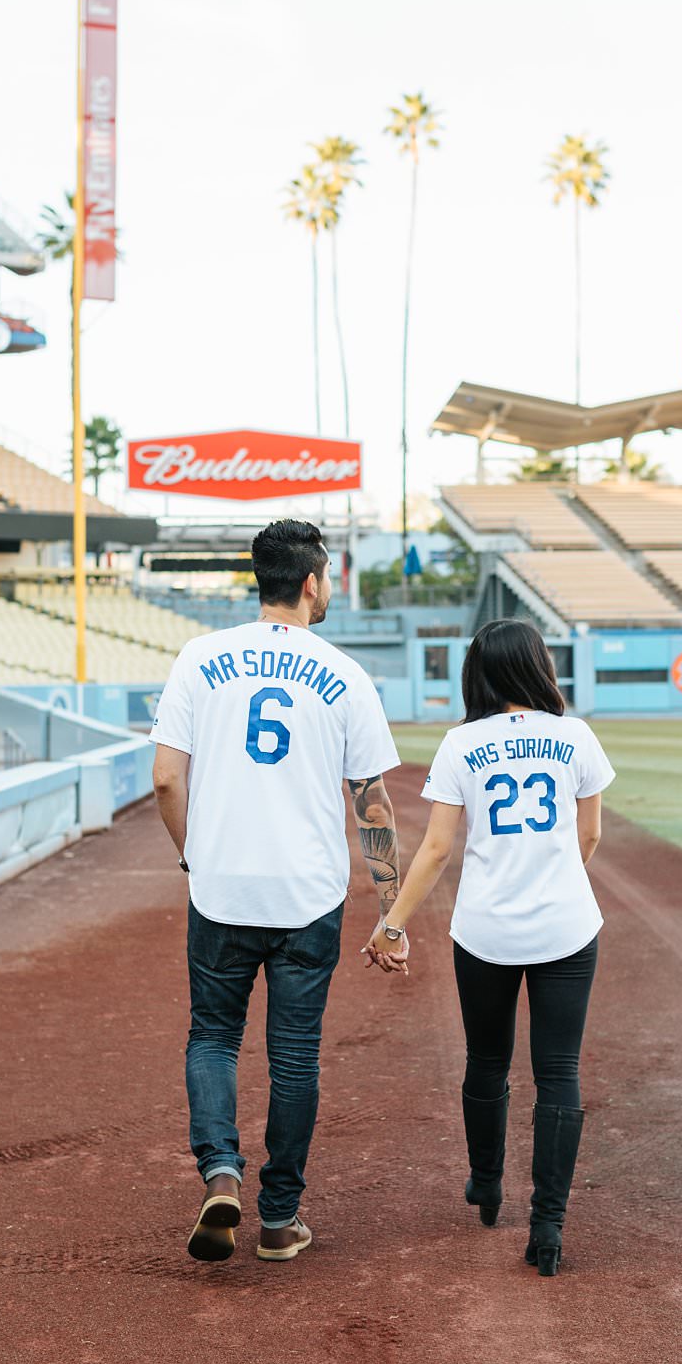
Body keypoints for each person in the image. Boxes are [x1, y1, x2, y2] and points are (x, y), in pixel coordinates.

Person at [151, 519, 403, 1263]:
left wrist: (194, 858)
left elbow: (166, 778)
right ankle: (279, 1217)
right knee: (294, 1058)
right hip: (308, 893)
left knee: (213, 1036)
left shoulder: (200, 658)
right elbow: (373, 805)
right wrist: (392, 913)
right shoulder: (347, 674)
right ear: (312, 581)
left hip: (222, 888)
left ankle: (220, 1170)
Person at [364, 619, 612, 1277]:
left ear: (478, 673)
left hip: (485, 929)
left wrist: (393, 922)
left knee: (487, 1060)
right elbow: (587, 837)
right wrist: (552, 880)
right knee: (558, 1071)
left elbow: (439, 848)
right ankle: (549, 1223)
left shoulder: (461, 743)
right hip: (566, 926)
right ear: (538, 667)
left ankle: (487, 1183)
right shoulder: (575, 736)